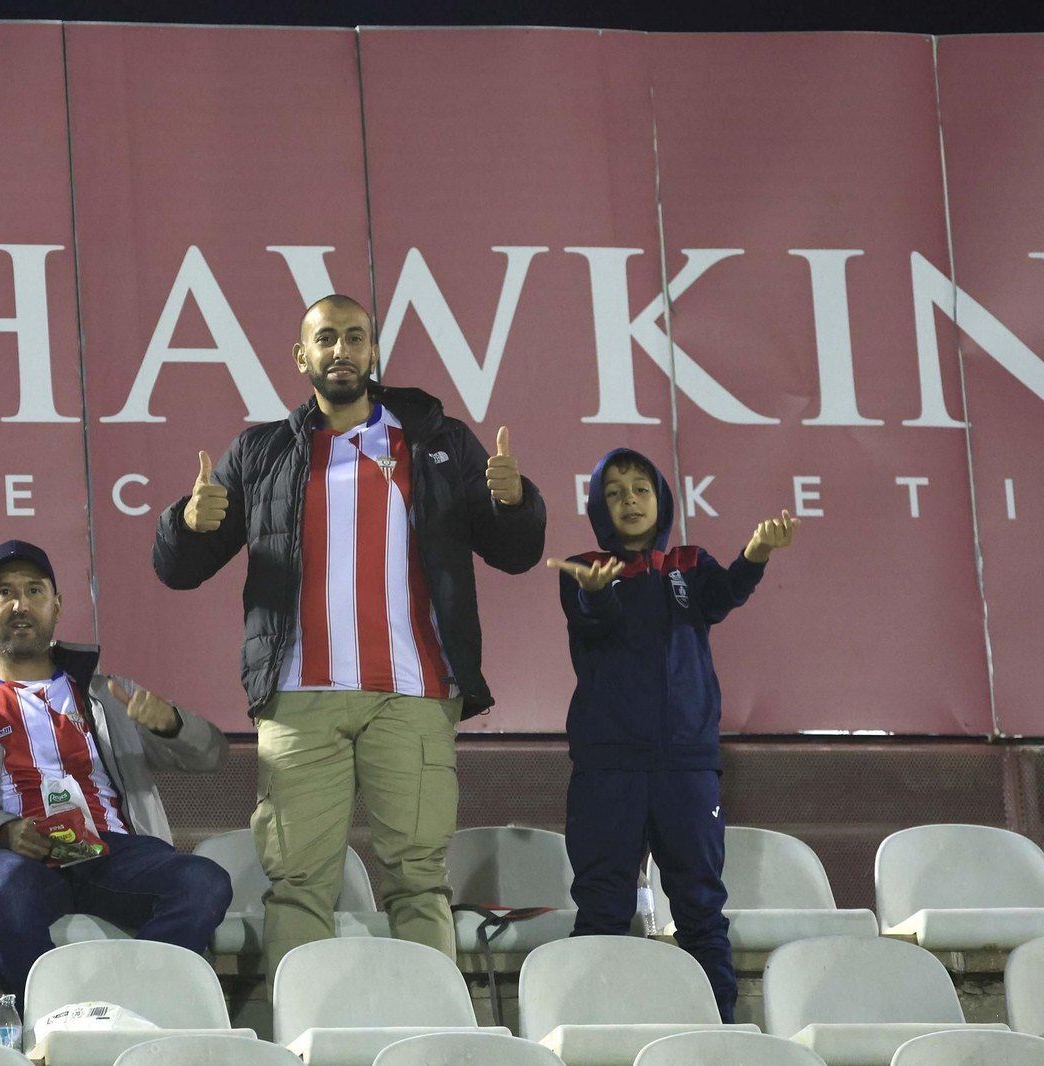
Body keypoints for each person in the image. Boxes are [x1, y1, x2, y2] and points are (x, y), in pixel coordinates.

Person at [152, 294, 547, 974]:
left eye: (355, 337)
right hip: (300, 697)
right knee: (298, 884)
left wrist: (514, 502)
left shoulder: (439, 441)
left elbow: (513, 552)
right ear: (302, 357)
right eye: (326, 338)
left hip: (416, 692)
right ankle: (302, 1039)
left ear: (373, 353)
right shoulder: (263, 451)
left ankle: (433, 1044)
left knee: (419, 882)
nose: (341, 350)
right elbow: (180, 570)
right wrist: (188, 523)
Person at [546, 448, 799, 1023]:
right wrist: (594, 590)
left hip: (687, 765)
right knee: (604, 911)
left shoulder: (689, 563)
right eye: (614, 492)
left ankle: (719, 1038)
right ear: (597, 507)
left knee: (702, 914)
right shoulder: (585, 568)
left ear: (661, 499)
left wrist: (756, 553)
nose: (629, 501)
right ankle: (596, 1039)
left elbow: (724, 595)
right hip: (609, 766)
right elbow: (597, 620)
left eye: (640, 489)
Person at [0, 540, 232, 1005]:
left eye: (34, 590)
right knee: (4, 886)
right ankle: (53, 1022)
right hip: (21, 855)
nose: (20, 604)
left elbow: (211, 755)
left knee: (204, 881)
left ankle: (137, 1007)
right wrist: (4, 830)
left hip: (114, 851)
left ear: (57, 605)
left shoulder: (107, 692)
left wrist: (170, 724)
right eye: (4, 593)